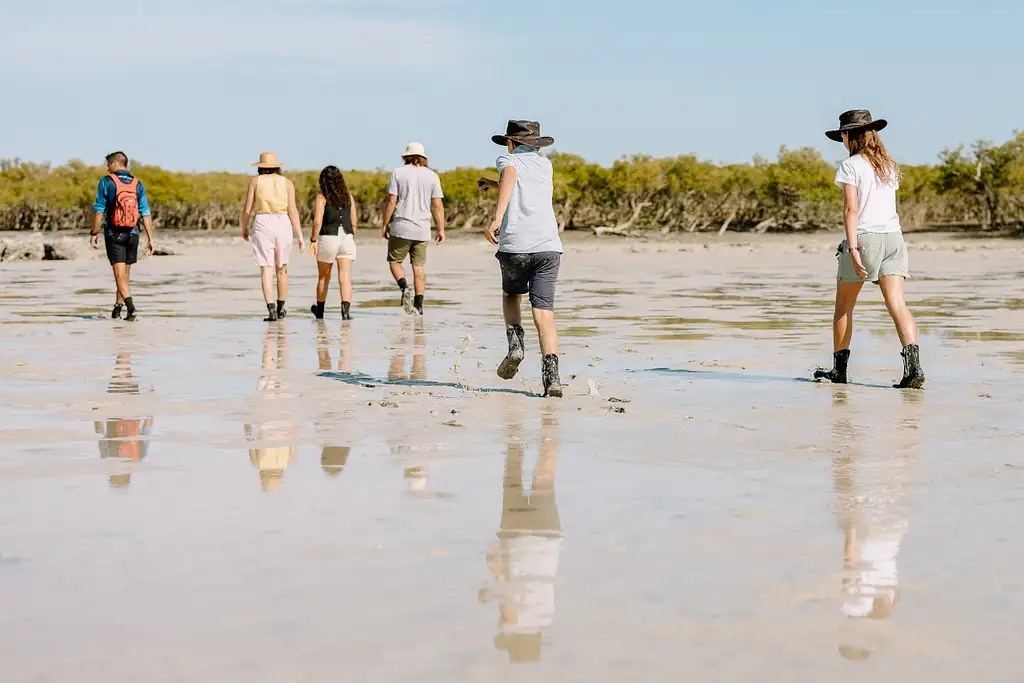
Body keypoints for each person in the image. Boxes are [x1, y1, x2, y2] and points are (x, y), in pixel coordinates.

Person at [815, 110, 925, 389]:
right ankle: (913, 370)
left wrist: (851, 247)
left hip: (865, 239)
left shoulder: (851, 165)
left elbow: (851, 209)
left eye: (842, 135)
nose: (841, 140)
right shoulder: (888, 166)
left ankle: (839, 372)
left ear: (851, 136)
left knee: (843, 308)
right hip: (894, 239)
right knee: (897, 305)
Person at [478, 121, 563, 398]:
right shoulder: (545, 165)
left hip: (517, 245)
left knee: (510, 296)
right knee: (544, 314)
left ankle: (516, 345)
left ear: (510, 142)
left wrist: (496, 218)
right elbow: (520, 185)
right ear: (536, 145)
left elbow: (512, 177)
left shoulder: (507, 160)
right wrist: (493, 184)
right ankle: (552, 379)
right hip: (548, 247)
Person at [381, 143, 445, 315]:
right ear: (423, 157)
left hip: (401, 226)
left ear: (406, 156)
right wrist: (441, 229)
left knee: (394, 262)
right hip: (422, 229)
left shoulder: (398, 173)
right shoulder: (432, 176)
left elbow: (391, 201)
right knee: (419, 267)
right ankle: (419, 305)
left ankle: (404, 287)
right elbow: (437, 205)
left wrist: (385, 223)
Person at [90, 151, 155, 321]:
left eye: (108, 164)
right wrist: (150, 238)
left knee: (119, 276)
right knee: (125, 276)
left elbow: (98, 210)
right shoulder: (137, 183)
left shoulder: (106, 181)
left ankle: (131, 307)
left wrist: (94, 232)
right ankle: (117, 309)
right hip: (133, 233)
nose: (107, 168)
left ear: (116, 163)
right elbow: (145, 212)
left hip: (114, 233)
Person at [241, 152, 305, 321]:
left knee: (266, 268)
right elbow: (293, 210)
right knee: (282, 269)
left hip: (263, 221)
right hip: (283, 222)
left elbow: (247, 208)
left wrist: (244, 227)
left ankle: (271, 310)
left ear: (260, 167)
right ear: (277, 166)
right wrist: (299, 235)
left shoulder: (255, 181)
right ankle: (281, 307)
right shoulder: (287, 183)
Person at [309, 166, 358, 320]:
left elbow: (317, 222)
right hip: (347, 238)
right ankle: (345, 312)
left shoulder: (321, 198)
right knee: (345, 277)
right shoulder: (349, 197)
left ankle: (320, 311)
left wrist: (313, 240)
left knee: (324, 277)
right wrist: (349, 234)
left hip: (328, 237)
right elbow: (354, 222)